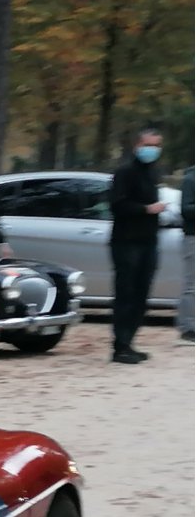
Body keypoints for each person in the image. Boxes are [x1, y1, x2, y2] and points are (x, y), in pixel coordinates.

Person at [109, 129, 167, 363]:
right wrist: (145, 209)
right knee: (126, 293)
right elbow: (117, 205)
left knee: (142, 294)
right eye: (148, 145)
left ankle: (130, 341)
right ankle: (120, 345)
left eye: (156, 145)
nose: (151, 150)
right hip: (126, 241)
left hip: (148, 240)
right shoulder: (125, 172)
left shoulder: (153, 173)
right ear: (137, 146)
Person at [178, 165, 193, 343]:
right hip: (193, 237)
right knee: (192, 286)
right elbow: (186, 209)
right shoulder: (191, 179)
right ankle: (189, 328)